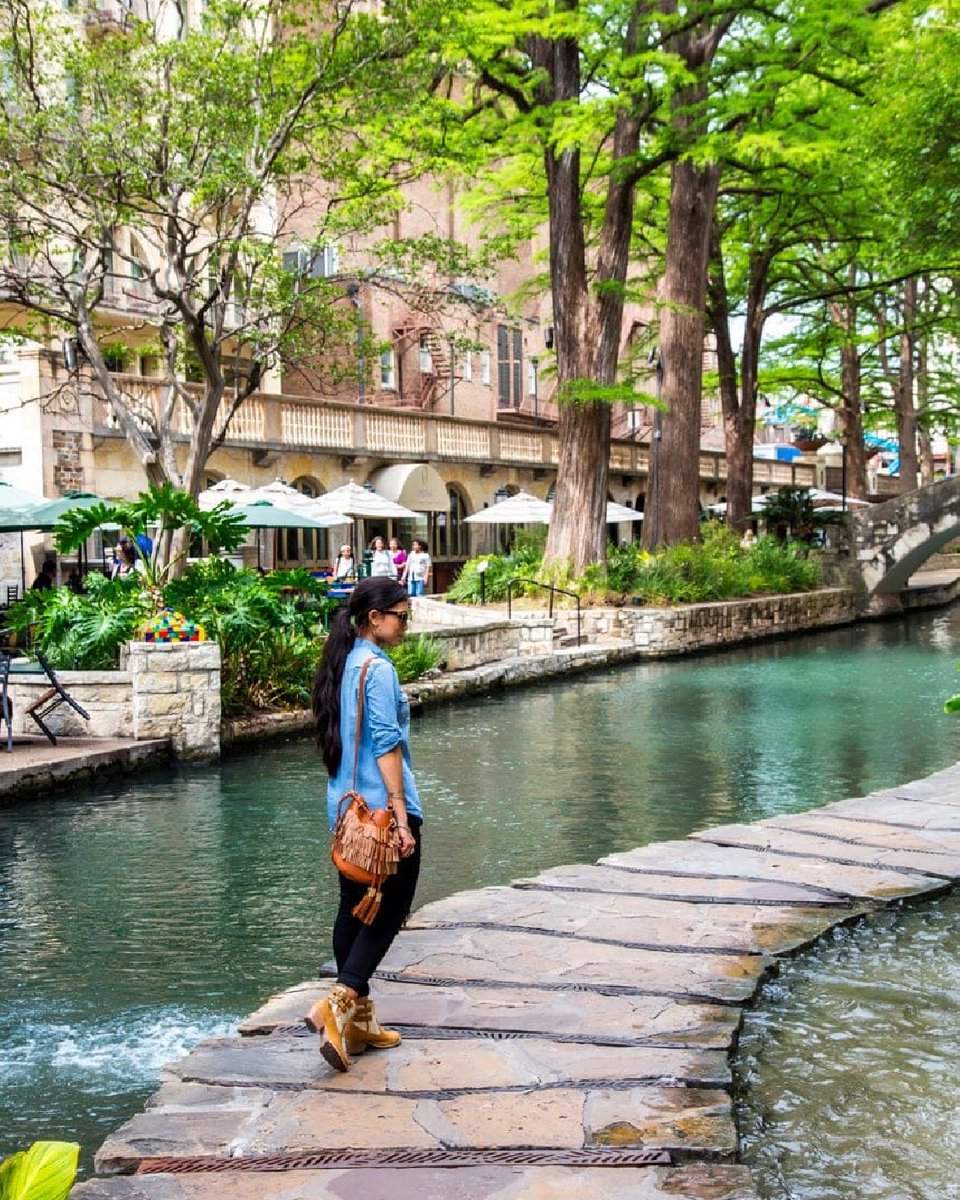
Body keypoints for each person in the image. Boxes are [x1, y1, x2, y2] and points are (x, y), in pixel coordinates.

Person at [308, 577, 421, 1073]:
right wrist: (401, 814)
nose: (405, 625)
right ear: (374, 617)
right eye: (400, 615)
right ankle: (336, 1004)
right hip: (380, 812)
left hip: (345, 809)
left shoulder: (341, 661)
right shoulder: (376, 669)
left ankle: (357, 1024)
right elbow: (385, 742)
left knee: (352, 909)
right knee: (390, 910)